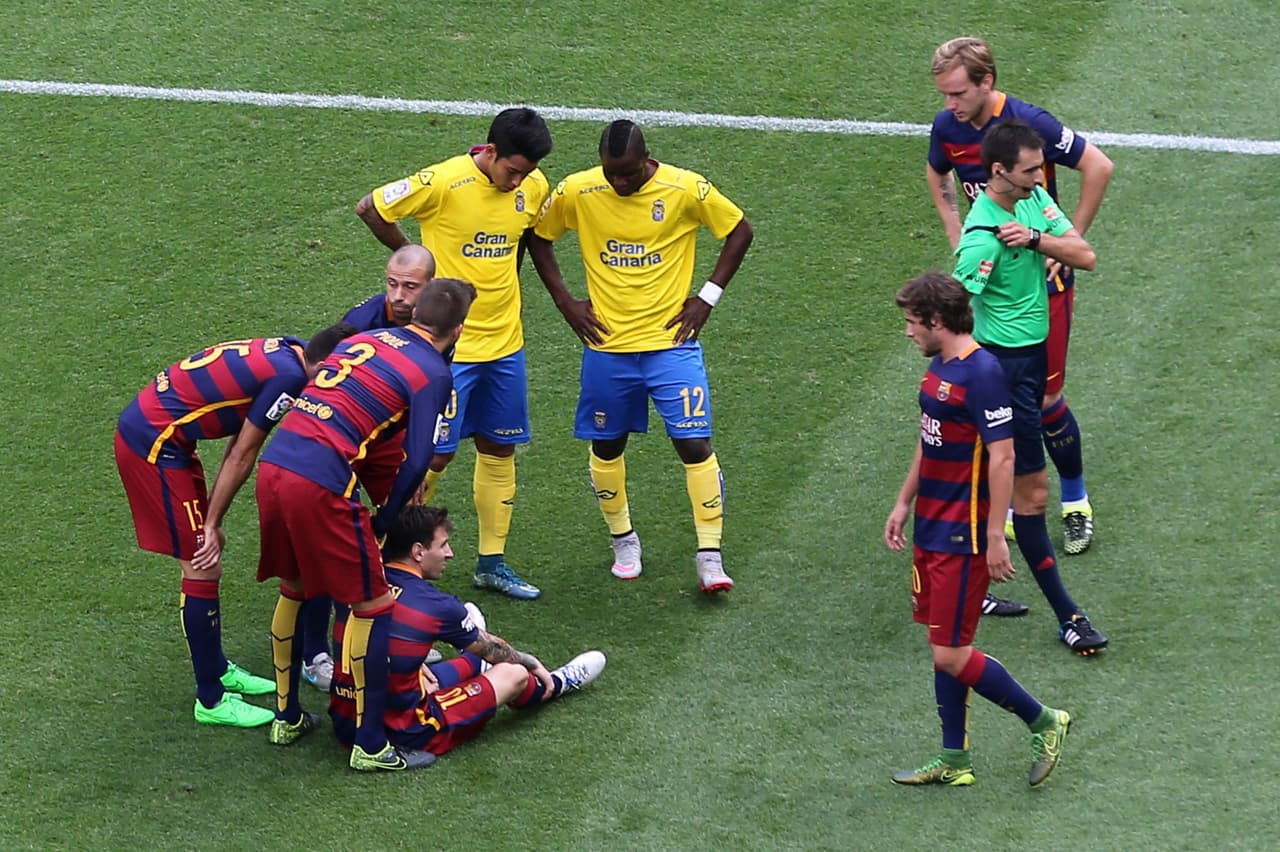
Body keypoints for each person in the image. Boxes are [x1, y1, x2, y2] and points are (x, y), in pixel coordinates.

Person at [255, 278, 476, 771]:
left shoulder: (362, 340)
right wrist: (388, 515)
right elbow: (418, 457)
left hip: (275, 466)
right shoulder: (432, 371)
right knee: (373, 605)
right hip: (321, 481)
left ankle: (286, 717)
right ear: (458, 328)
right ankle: (370, 744)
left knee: (294, 588)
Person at [529, 119, 753, 593]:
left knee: (694, 445)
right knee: (607, 446)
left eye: (629, 174)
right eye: (612, 173)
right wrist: (566, 303)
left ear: (646, 160)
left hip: (671, 344)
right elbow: (538, 236)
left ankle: (710, 556)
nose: (620, 183)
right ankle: (623, 540)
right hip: (608, 347)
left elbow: (739, 231)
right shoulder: (579, 190)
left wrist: (706, 297)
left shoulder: (685, 188)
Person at [354, 108, 554, 601]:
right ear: (489, 152)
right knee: (434, 453)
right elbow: (371, 207)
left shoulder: (533, 185)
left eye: (526, 174)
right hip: (449, 348)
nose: (519, 182)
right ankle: (393, 553)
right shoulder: (443, 181)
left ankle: (492, 563)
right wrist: (424, 269)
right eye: (512, 171)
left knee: (499, 445)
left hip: (506, 341)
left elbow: (523, 238)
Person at [928, 36, 1113, 563]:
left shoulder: (1031, 127)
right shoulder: (948, 126)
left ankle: (1075, 500)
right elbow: (937, 169)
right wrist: (954, 230)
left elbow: (1099, 167)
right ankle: (1010, 503)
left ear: (986, 82)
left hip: (1041, 281)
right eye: (944, 94)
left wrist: (1062, 244)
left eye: (959, 93)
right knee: (997, 396)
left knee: (1047, 399)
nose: (950, 105)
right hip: (994, 286)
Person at [884, 270, 1071, 787]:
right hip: (931, 528)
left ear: (937, 320)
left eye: (911, 322)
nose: (907, 333)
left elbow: (1004, 455)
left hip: (962, 536)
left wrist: (993, 537)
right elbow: (930, 438)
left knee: (951, 651)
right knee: (941, 647)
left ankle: (1044, 721)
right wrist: (903, 502)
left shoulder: (983, 372)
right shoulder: (940, 366)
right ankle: (954, 760)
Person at [114, 323, 352, 727]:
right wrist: (212, 522)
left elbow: (242, 433)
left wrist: (211, 518)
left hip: (167, 438)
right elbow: (244, 454)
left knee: (206, 554)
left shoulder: (290, 351)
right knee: (202, 563)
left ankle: (219, 669)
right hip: (153, 446)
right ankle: (210, 699)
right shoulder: (291, 379)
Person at [952, 119, 1108, 656]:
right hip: (1000, 371)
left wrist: (1040, 239)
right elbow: (948, 313)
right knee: (1030, 495)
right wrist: (963, 378)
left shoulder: (1033, 199)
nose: (1040, 177)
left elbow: (1083, 255)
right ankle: (1068, 616)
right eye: (1029, 170)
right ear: (999, 172)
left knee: (984, 483)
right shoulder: (980, 239)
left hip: (1028, 362)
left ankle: (972, 584)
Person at [326, 505, 606, 761]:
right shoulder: (435, 606)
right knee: (513, 672)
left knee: (467, 660)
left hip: (346, 720)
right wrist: (530, 662)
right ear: (418, 552)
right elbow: (499, 653)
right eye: (443, 545)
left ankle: (470, 642)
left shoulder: (360, 581)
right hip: (405, 731)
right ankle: (555, 684)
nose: (450, 553)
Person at [298, 244, 440, 695]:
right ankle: (315, 653)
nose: (398, 296)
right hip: (340, 446)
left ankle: (388, 627)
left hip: (382, 443)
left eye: (410, 287)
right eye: (392, 284)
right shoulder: (360, 324)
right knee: (331, 545)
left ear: (430, 288)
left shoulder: (436, 327)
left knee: (392, 531)